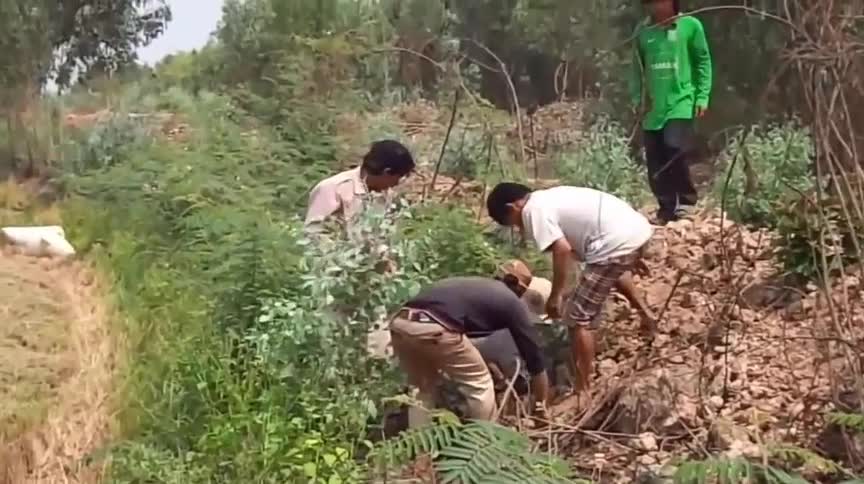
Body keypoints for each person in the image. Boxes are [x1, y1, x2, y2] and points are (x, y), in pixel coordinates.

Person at [486, 182, 657, 395]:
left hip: (615, 243)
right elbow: (578, 250)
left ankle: (583, 389)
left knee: (576, 318)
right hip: (635, 230)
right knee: (612, 272)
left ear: (513, 207)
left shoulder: (532, 211)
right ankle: (648, 317)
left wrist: (556, 296)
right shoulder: (547, 198)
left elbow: (562, 250)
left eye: (513, 223)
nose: (519, 228)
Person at [389, 276, 551, 427]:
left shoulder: (483, 289)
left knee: (422, 389)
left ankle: (418, 448)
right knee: (480, 384)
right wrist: (541, 405)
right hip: (435, 327)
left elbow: (463, 337)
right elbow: (535, 361)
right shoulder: (514, 304)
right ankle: (485, 441)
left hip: (401, 324)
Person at [630, 0, 713, 224]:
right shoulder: (644, 31)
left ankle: (686, 202)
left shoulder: (690, 26)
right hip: (653, 107)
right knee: (655, 158)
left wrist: (702, 96)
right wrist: (638, 99)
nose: (658, 6)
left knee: (673, 147)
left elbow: (703, 61)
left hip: (682, 100)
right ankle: (666, 207)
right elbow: (636, 69)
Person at [304, 139, 415, 228]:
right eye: (398, 177)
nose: (397, 183)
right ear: (386, 172)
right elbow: (313, 234)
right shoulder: (333, 189)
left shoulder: (385, 195)